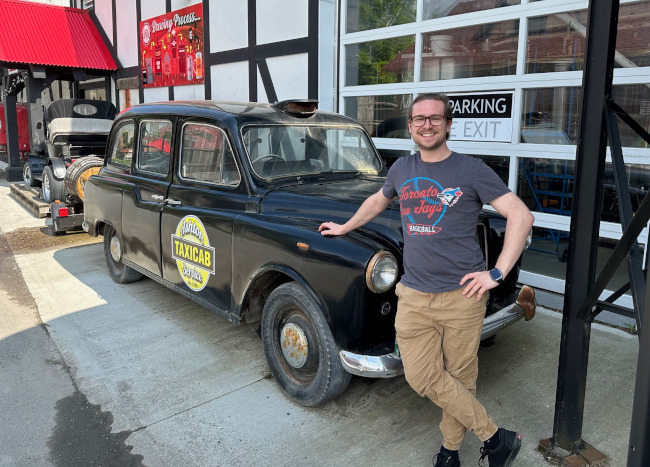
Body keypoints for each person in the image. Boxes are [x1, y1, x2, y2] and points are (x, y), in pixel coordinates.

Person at [319, 93, 534, 467]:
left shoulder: (471, 170)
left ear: (448, 125)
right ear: (411, 126)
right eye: (419, 119)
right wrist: (344, 227)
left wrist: (496, 274)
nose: (427, 124)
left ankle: (449, 454)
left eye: (435, 118)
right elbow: (377, 200)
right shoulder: (402, 168)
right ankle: (495, 438)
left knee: (460, 378)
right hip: (415, 295)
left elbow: (520, 215)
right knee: (421, 376)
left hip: (462, 297)